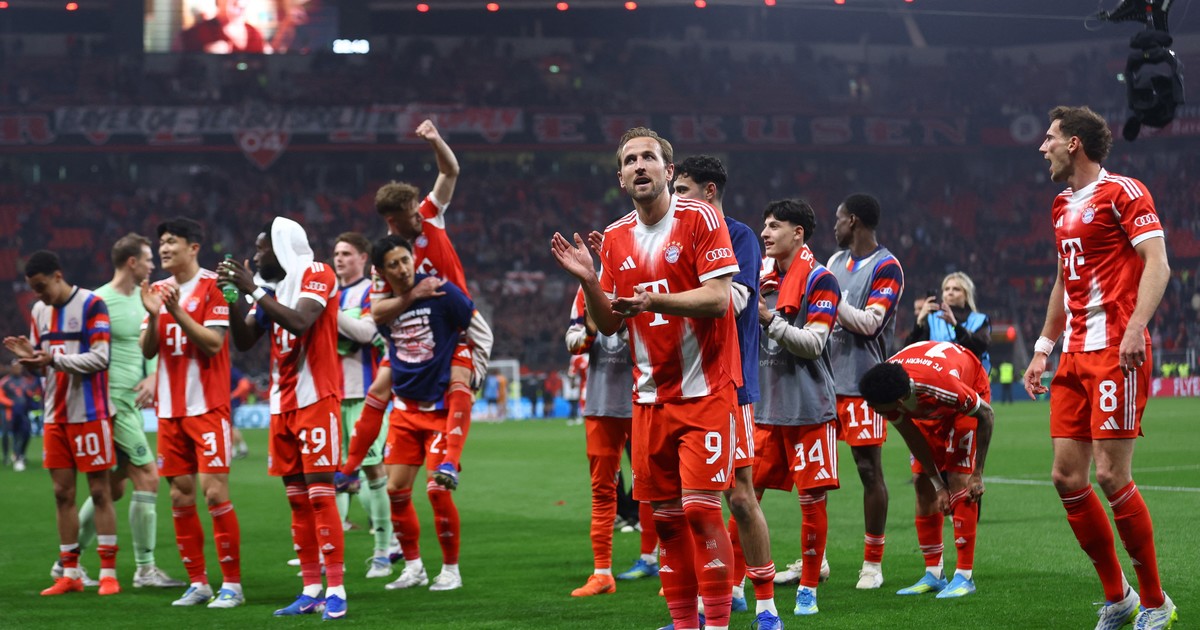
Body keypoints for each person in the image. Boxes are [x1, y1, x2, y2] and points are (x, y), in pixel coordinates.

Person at [551, 127, 741, 630]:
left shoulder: (700, 218)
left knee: (701, 512)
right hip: (650, 398)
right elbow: (609, 324)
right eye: (630, 160)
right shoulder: (615, 238)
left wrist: (652, 300)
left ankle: (717, 624)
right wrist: (590, 281)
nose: (640, 165)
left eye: (649, 158)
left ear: (668, 170)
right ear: (621, 177)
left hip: (704, 391)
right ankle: (685, 624)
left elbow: (718, 299)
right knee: (667, 521)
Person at [1023, 105, 1176, 629]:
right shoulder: (1060, 205)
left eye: (1049, 137)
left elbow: (1158, 263)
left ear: (1074, 144)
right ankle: (1119, 597)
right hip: (1072, 354)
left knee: (1111, 475)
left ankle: (1156, 602)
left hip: (1115, 350)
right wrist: (1043, 346)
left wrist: (1136, 326)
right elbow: (1063, 280)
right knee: (1066, 477)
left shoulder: (1124, 192)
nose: (1042, 147)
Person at [341, 235, 493, 594]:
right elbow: (382, 331)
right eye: (393, 265)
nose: (403, 269)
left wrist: (472, 366)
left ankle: (451, 570)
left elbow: (475, 328)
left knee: (438, 491)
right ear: (382, 272)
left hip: (440, 408)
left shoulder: (442, 291)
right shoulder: (382, 305)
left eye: (405, 260)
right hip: (406, 408)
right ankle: (413, 568)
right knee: (396, 490)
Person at [222, 217, 348, 620]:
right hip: (282, 405)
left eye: (262, 248)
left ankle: (336, 590)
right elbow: (244, 340)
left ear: (281, 246)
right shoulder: (272, 291)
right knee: (296, 500)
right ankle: (310, 589)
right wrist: (232, 297)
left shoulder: (317, 273)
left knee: (320, 494)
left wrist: (252, 289)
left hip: (316, 399)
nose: (257, 256)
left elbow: (300, 321)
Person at [673, 155, 777, 626]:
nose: (676, 199)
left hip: (729, 383)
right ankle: (708, 602)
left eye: (683, 190)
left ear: (709, 191)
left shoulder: (739, 237)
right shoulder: (671, 237)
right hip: (681, 387)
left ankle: (767, 606)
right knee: (692, 504)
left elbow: (731, 302)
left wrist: (664, 298)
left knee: (739, 495)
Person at [364, 118, 488, 490]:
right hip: (420, 336)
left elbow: (450, 171)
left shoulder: (431, 213)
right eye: (411, 215)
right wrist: (411, 296)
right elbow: (377, 313)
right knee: (384, 387)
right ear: (393, 220)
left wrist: (435, 140)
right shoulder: (385, 257)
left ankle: (451, 450)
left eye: (418, 209)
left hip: (460, 317)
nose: (420, 216)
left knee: (465, 375)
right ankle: (357, 466)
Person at [5, 250, 121, 596]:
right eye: (33, 289)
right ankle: (69, 573)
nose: (38, 295)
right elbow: (44, 364)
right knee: (61, 494)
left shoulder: (92, 304)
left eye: (41, 287)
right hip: (55, 415)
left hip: (90, 413)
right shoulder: (39, 311)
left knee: (99, 492)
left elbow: (101, 358)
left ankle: (109, 573)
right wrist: (30, 360)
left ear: (58, 275)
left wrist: (51, 359)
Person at [73, 234, 185, 590]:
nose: (153, 265)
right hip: (112, 404)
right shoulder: (98, 301)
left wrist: (153, 376)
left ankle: (67, 564)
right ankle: (145, 569)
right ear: (132, 262)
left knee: (114, 487)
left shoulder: (143, 298)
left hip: (131, 405)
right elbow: (85, 355)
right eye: (148, 259)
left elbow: (150, 346)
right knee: (149, 477)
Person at [141, 218, 243, 608]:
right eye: (161, 243)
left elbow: (214, 343)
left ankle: (232, 585)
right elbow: (148, 349)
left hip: (207, 407)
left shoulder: (215, 286)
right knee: (180, 496)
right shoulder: (157, 290)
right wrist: (155, 315)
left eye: (172, 242)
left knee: (214, 493)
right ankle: (198, 583)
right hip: (169, 411)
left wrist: (176, 312)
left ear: (193, 247)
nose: (164, 249)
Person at [755, 198, 841, 618]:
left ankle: (808, 588)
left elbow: (814, 344)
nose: (765, 233)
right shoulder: (759, 278)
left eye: (774, 226)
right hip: (764, 409)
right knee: (743, 498)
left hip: (809, 409)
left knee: (811, 503)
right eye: (764, 226)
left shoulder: (822, 280)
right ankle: (735, 585)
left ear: (798, 233)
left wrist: (769, 320)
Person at [859, 340, 994, 600]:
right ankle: (934, 573)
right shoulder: (885, 387)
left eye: (876, 407)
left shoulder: (943, 388)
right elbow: (912, 436)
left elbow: (987, 415)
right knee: (922, 482)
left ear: (898, 401)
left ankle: (965, 576)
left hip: (966, 387)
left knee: (959, 478)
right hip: (927, 404)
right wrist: (937, 484)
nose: (872, 410)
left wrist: (978, 473)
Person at [825, 192, 905, 590]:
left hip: (863, 385)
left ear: (853, 221)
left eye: (838, 219)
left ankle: (872, 563)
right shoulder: (834, 262)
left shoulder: (887, 266)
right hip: (825, 381)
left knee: (868, 470)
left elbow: (871, 324)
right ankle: (815, 558)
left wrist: (828, 298)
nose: (834, 226)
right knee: (815, 474)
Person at [563, 286, 637, 598]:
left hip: (644, 398)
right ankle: (603, 573)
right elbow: (572, 342)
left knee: (657, 488)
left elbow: (659, 340)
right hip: (601, 403)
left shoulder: (643, 278)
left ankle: (664, 567)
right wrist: (591, 331)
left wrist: (618, 326)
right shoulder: (587, 289)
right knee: (602, 490)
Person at [330, 231, 395, 579]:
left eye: (346, 253)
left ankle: (384, 551)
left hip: (365, 394)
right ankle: (330, 555)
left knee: (372, 470)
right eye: (336, 253)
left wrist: (327, 310)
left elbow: (367, 334)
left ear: (362, 258)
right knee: (333, 473)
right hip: (330, 396)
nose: (339, 259)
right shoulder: (332, 293)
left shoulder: (371, 292)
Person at [911, 271, 991, 373]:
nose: (950, 292)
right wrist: (919, 322)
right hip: (937, 375)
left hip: (967, 376)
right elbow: (913, 351)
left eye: (956, 289)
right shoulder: (932, 319)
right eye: (946, 289)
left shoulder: (979, 320)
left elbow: (981, 347)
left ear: (966, 295)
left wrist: (955, 326)